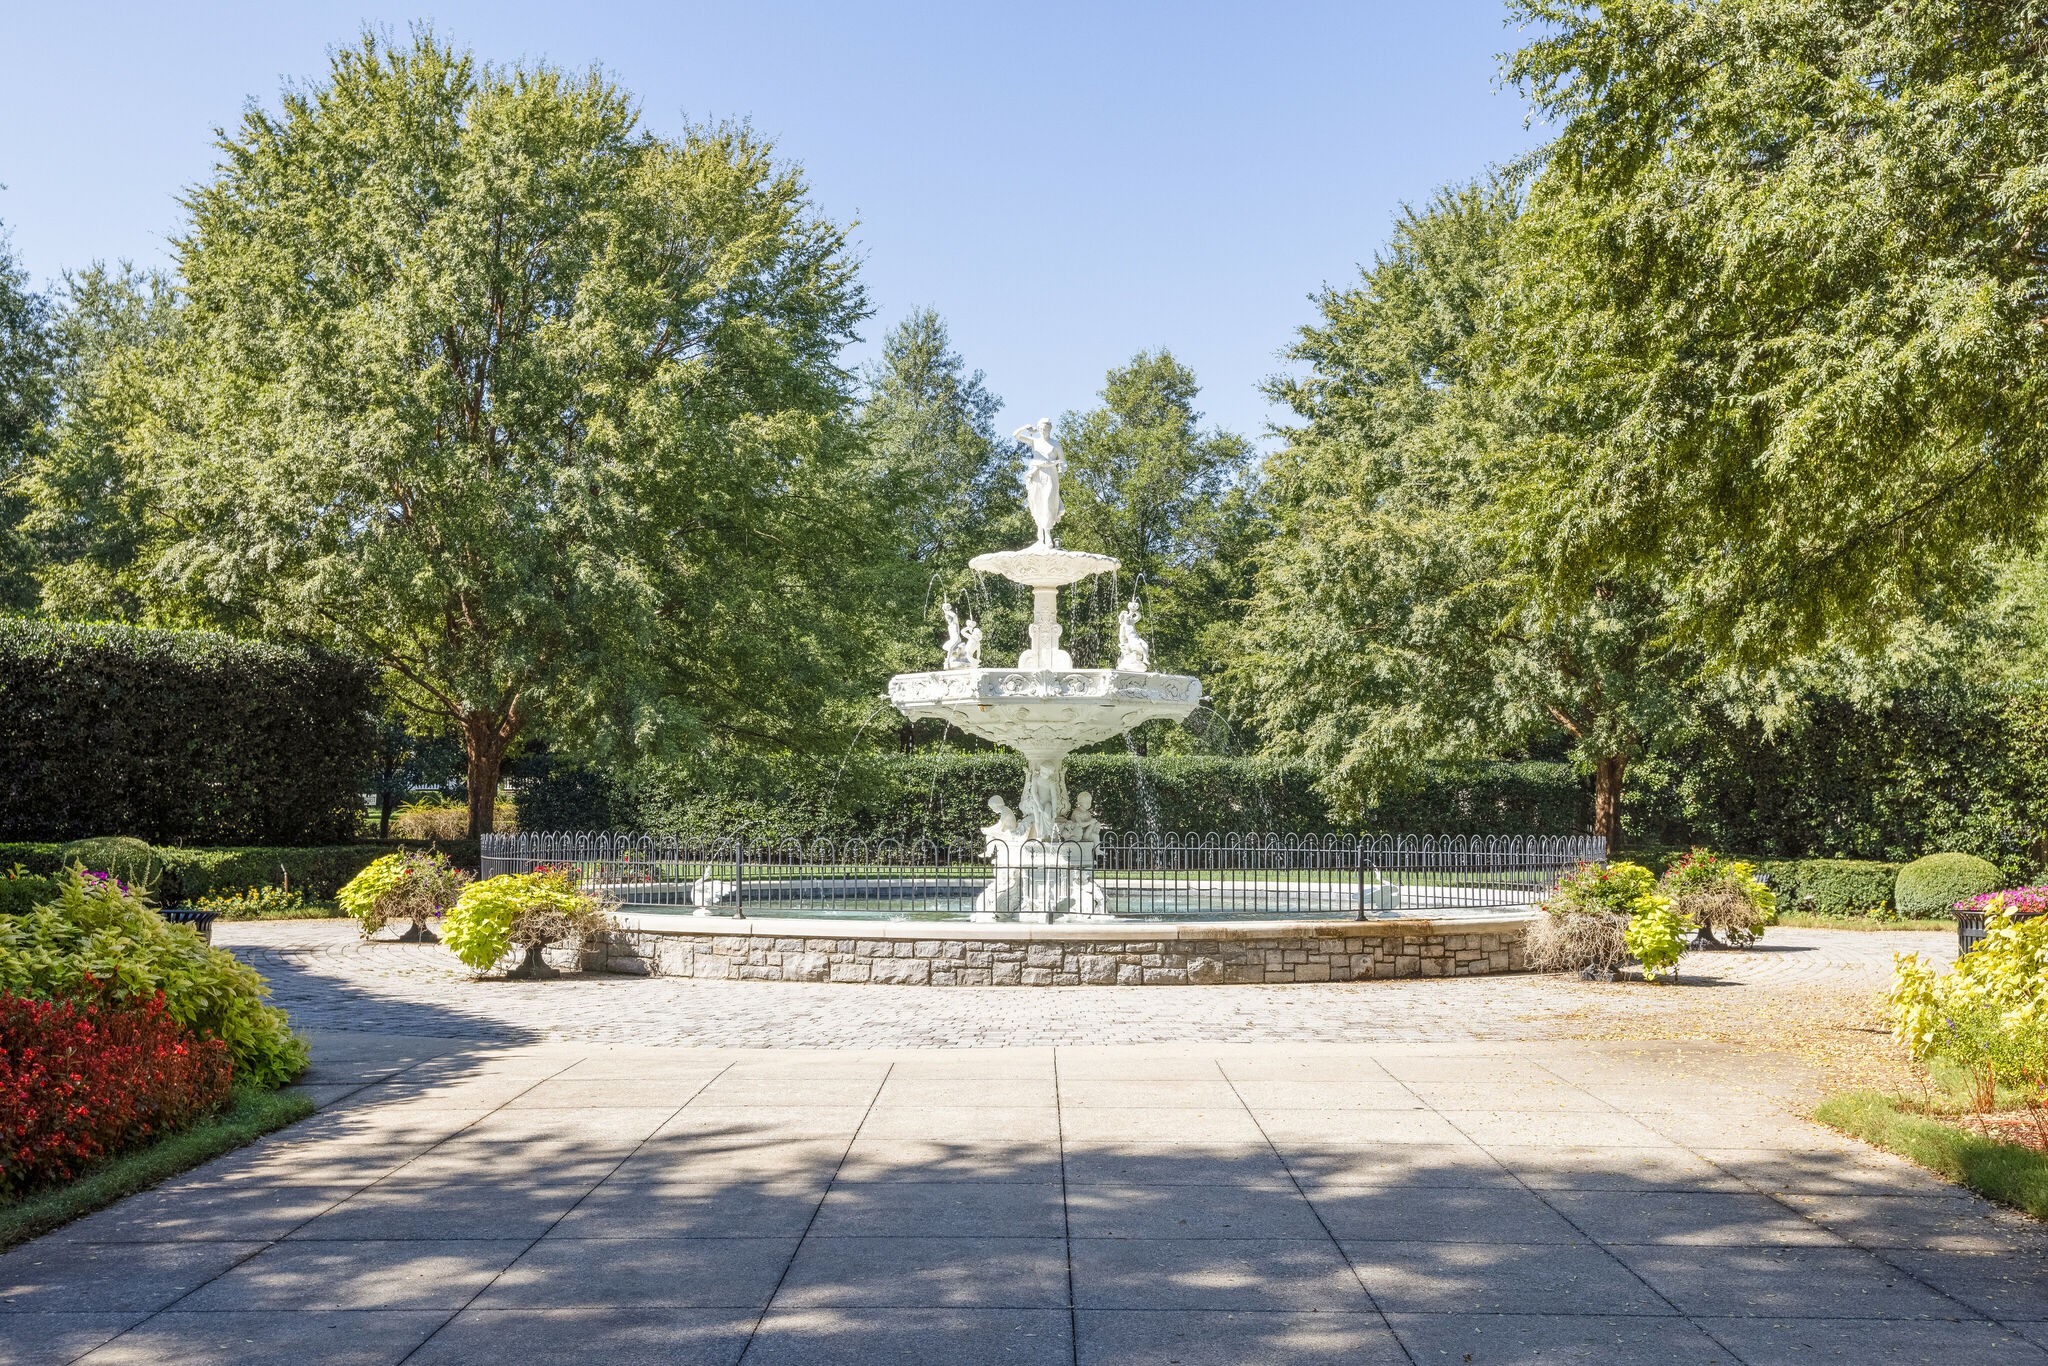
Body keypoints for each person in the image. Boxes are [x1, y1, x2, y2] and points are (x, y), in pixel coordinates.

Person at [1016, 419, 1063, 546]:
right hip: (1036, 474)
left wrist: (1062, 467)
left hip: (1050, 474)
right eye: (1041, 429)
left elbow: (1063, 461)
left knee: (1048, 501)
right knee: (1038, 502)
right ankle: (1040, 529)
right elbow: (1016, 435)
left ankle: (1047, 534)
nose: (1044, 431)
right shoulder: (1034, 441)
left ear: (1050, 429)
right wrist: (1026, 427)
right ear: (1038, 429)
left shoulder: (1055, 444)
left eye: (1046, 429)